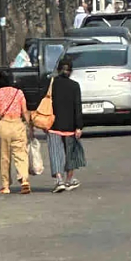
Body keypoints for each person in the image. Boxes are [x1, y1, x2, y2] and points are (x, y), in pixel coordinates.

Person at [0, 68, 32, 195]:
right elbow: (25, 111)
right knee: (21, 154)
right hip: (18, 124)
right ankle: (24, 179)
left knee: (4, 156)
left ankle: (5, 185)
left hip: (4, 125)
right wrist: (29, 126)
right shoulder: (19, 93)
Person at [47, 56, 85, 193]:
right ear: (71, 71)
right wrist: (79, 126)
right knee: (71, 155)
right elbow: (77, 107)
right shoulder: (75, 86)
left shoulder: (51, 84)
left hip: (53, 125)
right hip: (70, 126)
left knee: (55, 153)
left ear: (58, 70)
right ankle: (69, 180)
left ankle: (59, 180)